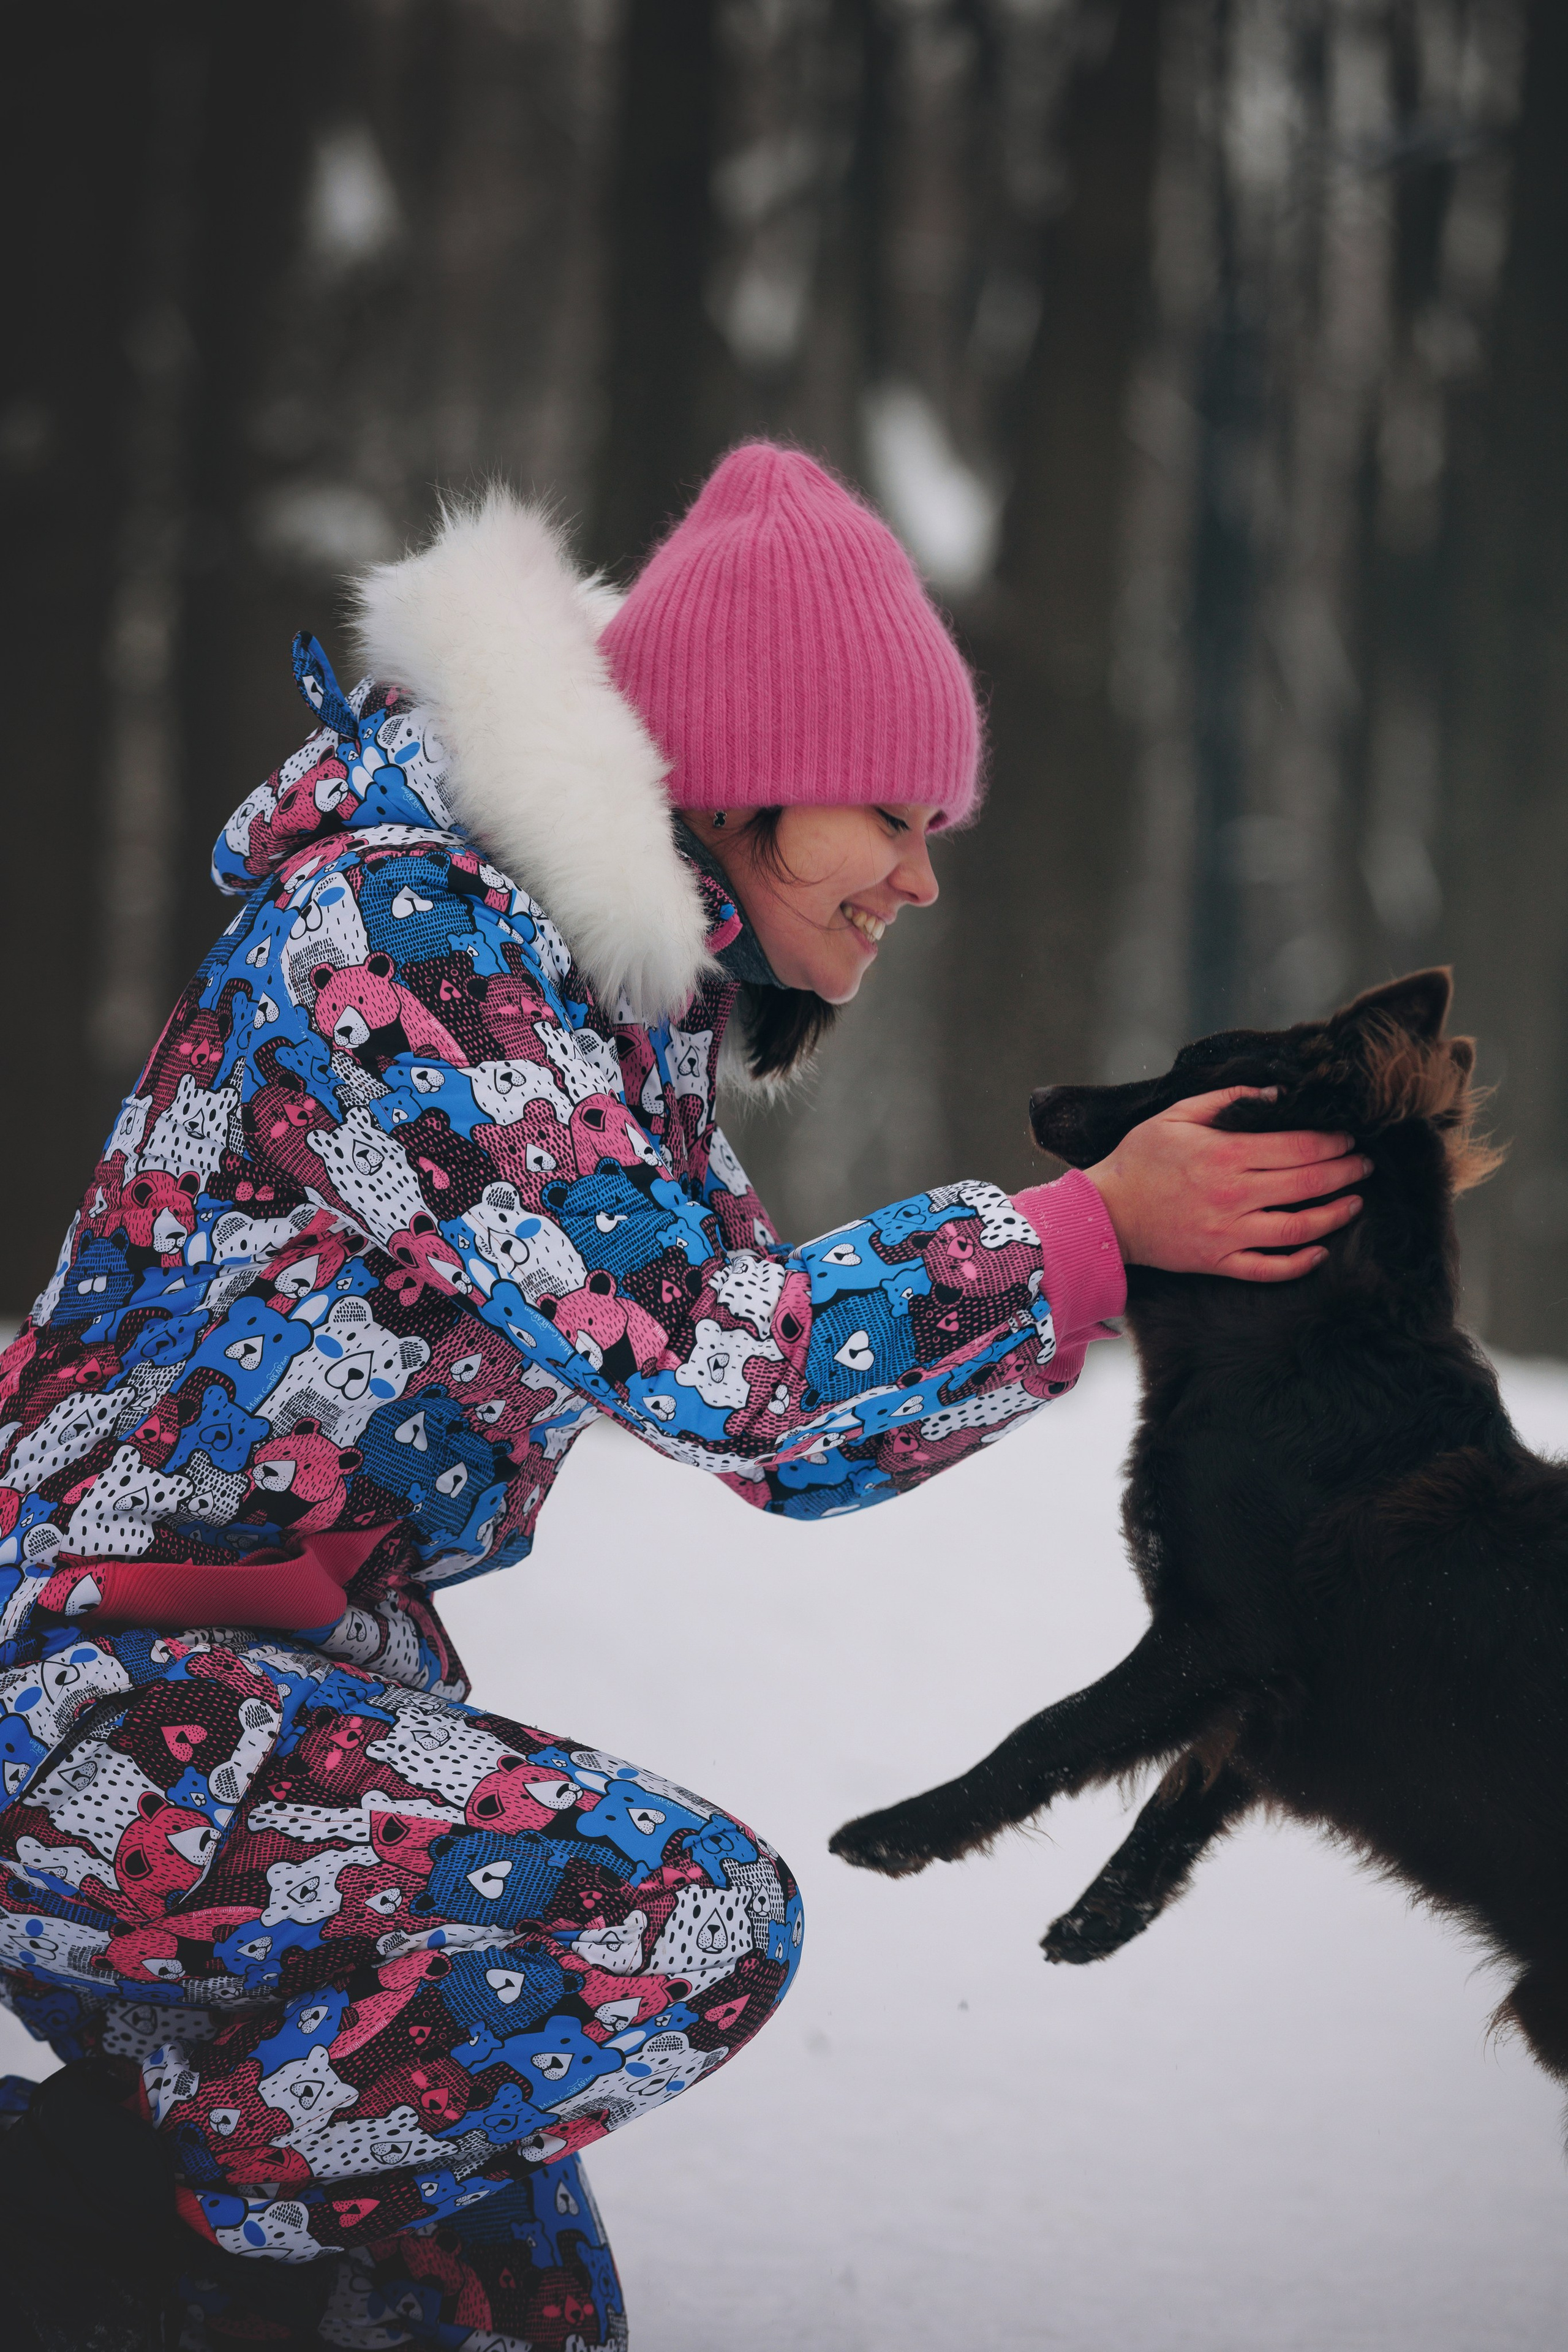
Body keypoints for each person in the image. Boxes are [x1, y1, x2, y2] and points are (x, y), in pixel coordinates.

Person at [0, 443, 1366, 2346]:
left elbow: (781, 1443)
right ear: (733, 780)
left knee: (513, 2307)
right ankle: (60, 2234)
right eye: (886, 809)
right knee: (669, 1920)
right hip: (78, 1712)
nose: (922, 872)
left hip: (252, 1720)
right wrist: (1082, 1235)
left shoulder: (594, 1007)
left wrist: (1104, 1270)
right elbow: (733, 1367)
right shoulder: (406, 945)